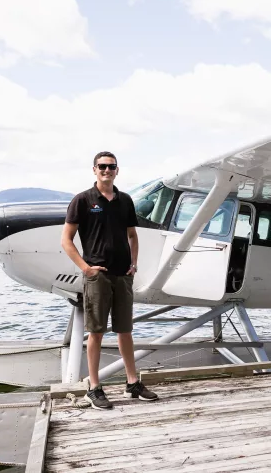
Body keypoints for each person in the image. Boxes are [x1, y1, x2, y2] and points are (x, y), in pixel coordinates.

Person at [61, 151, 158, 409]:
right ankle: (94, 387)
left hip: (123, 275)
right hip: (98, 277)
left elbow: (133, 236)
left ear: (117, 170)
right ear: (94, 170)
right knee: (97, 332)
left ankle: (132, 383)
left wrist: (133, 264)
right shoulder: (82, 200)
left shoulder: (125, 201)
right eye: (102, 166)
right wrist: (86, 268)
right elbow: (66, 240)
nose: (107, 170)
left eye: (111, 166)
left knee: (125, 330)